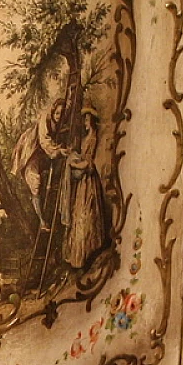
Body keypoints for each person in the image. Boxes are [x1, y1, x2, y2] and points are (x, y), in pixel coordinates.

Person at [61, 109, 110, 269]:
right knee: (79, 213)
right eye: (85, 119)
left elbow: (88, 163)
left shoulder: (93, 138)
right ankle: (80, 256)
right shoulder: (86, 137)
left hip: (89, 179)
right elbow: (82, 157)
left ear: (93, 121)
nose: (85, 122)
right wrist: (73, 155)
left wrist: (73, 163)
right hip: (83, 180)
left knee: (87, 212)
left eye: (87, 119)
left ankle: (89, 251)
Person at [11, 96, 70, 221]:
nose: (59, 116)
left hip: (43, 154)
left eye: (62, 113)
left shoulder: (60, 123)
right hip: (30, 151)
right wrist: (57, 151)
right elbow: (44, 142)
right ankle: (41, 220)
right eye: (57, 112)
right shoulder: (45, 119)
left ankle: (47, 215)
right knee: (35, 182)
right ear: (53, 111)